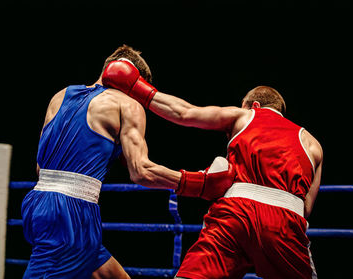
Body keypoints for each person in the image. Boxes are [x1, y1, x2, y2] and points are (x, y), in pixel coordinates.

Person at [21, 45, 235, 279]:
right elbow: (141, 171)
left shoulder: (60, 96)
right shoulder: (127, 104)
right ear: (134, 83)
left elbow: (40, 167)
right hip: (71, 214)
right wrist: (199, 184)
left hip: (37, 203)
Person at [102, 61, 323, 279]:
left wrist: (135, 86)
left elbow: (184, 113)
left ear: (252, 105)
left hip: (236, 215)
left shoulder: (244, 115)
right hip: (284, 224)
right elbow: (305, 210)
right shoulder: (313, 144)